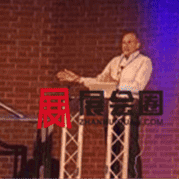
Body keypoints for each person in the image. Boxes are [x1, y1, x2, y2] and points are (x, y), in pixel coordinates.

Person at [58, 31, 152, 178]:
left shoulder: (144, 62)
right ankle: (112, 176)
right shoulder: (115, 61)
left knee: (130, 146)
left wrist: (117, 85)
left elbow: (138, 86)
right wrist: (79, 79)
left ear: (138, 44)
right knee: (111, 146)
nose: (125, 46)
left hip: (130, 105)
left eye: (129, 42)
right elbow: (100, 80)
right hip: (111, 105)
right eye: (123, 42)